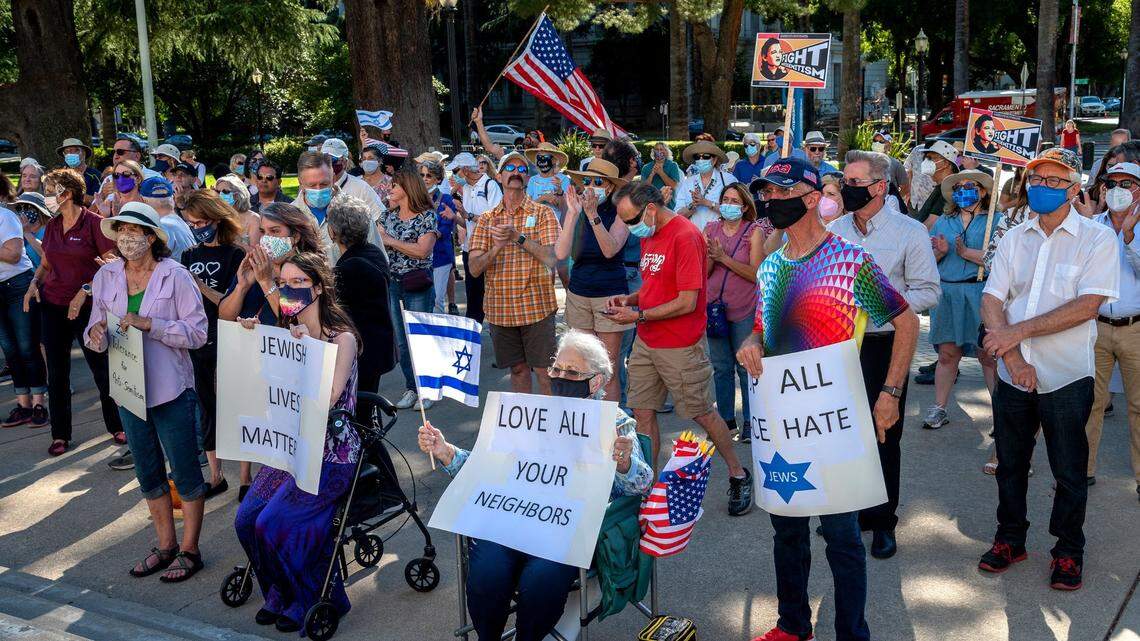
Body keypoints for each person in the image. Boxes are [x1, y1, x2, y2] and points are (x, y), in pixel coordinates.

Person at [736, 157, 918, 641]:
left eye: (781, 191)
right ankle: (793, 625)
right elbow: (761, 331)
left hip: (834, 424)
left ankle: (851, 633)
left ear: (813, 198)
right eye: (767, 193)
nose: (771, 200)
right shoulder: (771, 266)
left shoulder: (849, 260)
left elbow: (906, 321)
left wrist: (891, 392)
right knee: (787, 533)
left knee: (841, 538)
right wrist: (751, 344)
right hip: (783, 424)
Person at [416, 329, 652, 641]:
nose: (560, 376)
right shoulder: (531, 415)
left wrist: (622, 464)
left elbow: (643, 483)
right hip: (510, 520)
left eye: (572, 372)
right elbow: (486, 469)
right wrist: (445, 452)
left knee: (541, 582)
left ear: (595, 381)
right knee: (486, 575)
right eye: (557, 369)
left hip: (566, 529)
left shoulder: (616, 423)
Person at [977, 147, 1119, 591]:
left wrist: (1014, 337)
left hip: (1066, 376)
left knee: (1069, 471)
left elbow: (1087, 305)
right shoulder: (1016, 236)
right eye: (1035, 179)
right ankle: (1010, 539)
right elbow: (992, 299)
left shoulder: (1097, 239)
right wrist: (1014, 359)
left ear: (1074, 189)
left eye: (1053, 181)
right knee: (1010, 464)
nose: (1040, 187)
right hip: (1013, 376)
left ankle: (1068, 550)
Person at [233, 252, 361, 634]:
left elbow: (331, 396)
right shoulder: (283, 331)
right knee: (246, 520)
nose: (289, 290)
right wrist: (252, 344)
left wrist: (303, 351)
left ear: (318, 288)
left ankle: (316, 595)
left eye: (298, 283)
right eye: (284, 283)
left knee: (274, 523)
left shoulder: (342, 339)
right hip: (288, 448)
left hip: (330, 455)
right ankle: (279, 589)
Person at [608, 181, 754, 514]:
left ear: (650, 209)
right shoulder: (650, 234)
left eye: (631, 220)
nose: (630, 229)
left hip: (681, 344)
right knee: (643, 414)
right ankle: (647, 487)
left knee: (702, 412)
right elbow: (656, 285)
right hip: (647, 340)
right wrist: (630, 300)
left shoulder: (685, 235)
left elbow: (688, 301)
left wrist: (638, 313)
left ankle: (737, 473)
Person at [85, 201, 208, 582]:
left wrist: (150, 324)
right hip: (129, 389)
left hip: (171, 388)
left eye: (134, 231)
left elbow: (198, 334)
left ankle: (190, 549)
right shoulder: (107, 276)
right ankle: (165, 544)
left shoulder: (176, 275)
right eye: (121, 230)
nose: (126, 238)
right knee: (147, 470)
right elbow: (94, 331)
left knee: (185, 469)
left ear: (152, 237)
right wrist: (97, 334)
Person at [827, 150, 939, 559]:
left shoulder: (909, 232)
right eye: (844, 181)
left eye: (854, 183)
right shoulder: (834, 229)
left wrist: (880, 305)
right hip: (839, 343)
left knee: (884, 432)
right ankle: (850, 514)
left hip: (885, 343)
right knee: (842, 432)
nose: (845, 188)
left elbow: (929, 290)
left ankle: (883, 521)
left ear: (879, 186)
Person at [25, 169, 123, 457]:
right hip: (53, 306)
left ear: (66, 193)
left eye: (51, 189)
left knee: (101, 370)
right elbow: (46, 263)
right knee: (56, 373)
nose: (48, 195)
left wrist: (84, 291)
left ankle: (116, 425)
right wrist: (33, 284)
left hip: (89, 309)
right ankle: (60, 435)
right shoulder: (53, 225)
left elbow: (113, 267)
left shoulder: (95, 224)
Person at [468, 151, 559, 395]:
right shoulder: (486, 220)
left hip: (536, 307)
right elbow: (474, 269)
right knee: (518, 370)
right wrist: (497, 246)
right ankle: (526, 433)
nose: (516, 173)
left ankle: (553, 430)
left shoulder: (543, 213)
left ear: (528, 178)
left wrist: (517, 237)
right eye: (510, 169)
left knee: (545, 371)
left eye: (521, 169)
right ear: (499, 176)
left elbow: (551, 257)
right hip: (501, 311)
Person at [180, 190, 247, 499]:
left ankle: (245, 478)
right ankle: (216, 475)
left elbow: (232, 303)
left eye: (201, 221)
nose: (196, 228)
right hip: (198, 339)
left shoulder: (236, 255)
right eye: (190, 223)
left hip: (230, 336)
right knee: (207, 408)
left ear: (217, 218)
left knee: (239, 406)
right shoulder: (189, 255)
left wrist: (199, 285)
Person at [923, 170, 1001, 431]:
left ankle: (1001, 414)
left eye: (970, 186)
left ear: (983, 191)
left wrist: (967, 253)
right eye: (958, 187)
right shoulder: (944, 221)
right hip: (948, 293)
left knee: (988, 355)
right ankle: (939, 407)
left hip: (981, 294)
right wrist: (940, 253)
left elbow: (1000, 261)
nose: (963, 191)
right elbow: (927, 263)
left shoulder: (996, 221)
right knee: (947, 354)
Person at [1083, 162, 1140, 502]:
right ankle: (1083, 470)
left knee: (1139, 406)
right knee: (1090, 402)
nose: (1118, 188)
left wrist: (1130, 236)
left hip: (1136, 328)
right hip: (1097, 326)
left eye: (1127, 183)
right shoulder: (1093, 227)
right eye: (1112, 182)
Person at [557, 159, 632, 401]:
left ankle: (611, 428)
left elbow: (610, 250)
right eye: (586, 181)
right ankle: (587, 424)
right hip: (579, 293)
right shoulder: (576, 209)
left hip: (609, 295)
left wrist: (593, 216)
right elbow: (561, 253)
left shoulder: (620, 211)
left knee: (606, 370)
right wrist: (572, 215)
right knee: (582, 368)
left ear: (610, 187)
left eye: (598, 182)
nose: (591, 186)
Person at [703, 183, 766, 440]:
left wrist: (724, 258)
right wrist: (710, 256)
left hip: (744, 308)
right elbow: (703, 273)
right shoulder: (710, 229)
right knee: (721, 367)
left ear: (744, 206)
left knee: (746, 366)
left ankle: (752, 421)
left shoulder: (754, 232)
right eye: (725, 199)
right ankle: (727, 421)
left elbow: (756, 274)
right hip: (715, 309)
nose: (729, 204)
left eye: (734, 201)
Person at [327, 194, 396, 406]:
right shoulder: (373, 253)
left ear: (333, 232)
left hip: (363, 353)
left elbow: (332, 310)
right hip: (378, 347)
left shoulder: (349, 268)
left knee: (359, 417)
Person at [379, 170, 440, 410]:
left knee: (420, 337)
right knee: (402, 341)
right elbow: (378, 244)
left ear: (408, 187)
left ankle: (428, 389)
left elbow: (423, 251)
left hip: (418, 283)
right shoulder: (387, 216)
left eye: (394, 185)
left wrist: (392, 242)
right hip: (393, 283)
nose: (389, 188)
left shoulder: (426, 217)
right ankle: (412, 388)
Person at [0, 194, 47, 428]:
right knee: (10, 350)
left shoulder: (5, 217)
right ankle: (23, 405)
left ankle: (39, 403)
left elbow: (13, 254)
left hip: (18, 285)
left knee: (28, 347)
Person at [447, 152, 502, 324]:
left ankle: (497, 330)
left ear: (465, 170)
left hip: (488, 250)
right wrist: (455, 217)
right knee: (473, 297)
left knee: (492, 294)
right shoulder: (468, 189)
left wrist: (467, 214)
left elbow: (495, 220)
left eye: (456, 172)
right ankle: (473, 334)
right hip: (469, 249)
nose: (454, 176)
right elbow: (468, 224)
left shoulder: (490, 186)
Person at [420, 161, 462, 314]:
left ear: (438, 179)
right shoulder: (414, 199)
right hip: (419, 257)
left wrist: (429, 235)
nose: (424, 178)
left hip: (440, 256)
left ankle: (438, 334)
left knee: (437, 299)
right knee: (422, 300)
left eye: (429, 175)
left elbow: (446, 227)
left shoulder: (445, 199)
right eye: (422, 175)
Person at [674, 140, 737, 232]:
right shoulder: (688, 182)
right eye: (697, 157)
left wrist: (707, 203)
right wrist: (692, 206)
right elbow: (678, 215)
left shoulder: (728, 180)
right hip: (694, 237)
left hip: (721, 236)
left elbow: (734, 212)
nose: (701, 160)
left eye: (706, 156)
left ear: (715, 160)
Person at [138, 177, 195, 262]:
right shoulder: (178, 222)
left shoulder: (161, 227)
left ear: (143, 200)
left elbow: (145, 265)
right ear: (172, 197)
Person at [911, 140, 959, 229]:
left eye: (930, 158)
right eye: (925, 158)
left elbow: (930, 224)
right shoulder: (941, 187)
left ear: (946, 163)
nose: (925, 162)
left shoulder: (949, 189)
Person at [524, 142, 570, 218]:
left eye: (546, 157)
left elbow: (564, 209)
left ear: (554, 160)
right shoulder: (533, 180)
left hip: (554, 225)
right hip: (534, 224)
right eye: (539, 157)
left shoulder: (563, 179)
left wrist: (559, 191)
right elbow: (527, 207)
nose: (542, 160)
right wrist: (543, 198)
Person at [214, 174, 260, 250]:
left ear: (238, 194)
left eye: (225, 191)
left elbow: (255, 252)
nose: (220, 195)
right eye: (217, 191)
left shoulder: (253, 218)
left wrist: (233, 241)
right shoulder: (216, 217)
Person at [56, 138, 102, 205]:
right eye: (66, 151)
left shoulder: (94, 175)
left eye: (74, 150)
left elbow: (98, 200)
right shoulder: (60, 175)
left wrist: (77, 191)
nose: (70, 154)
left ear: (83, 153)